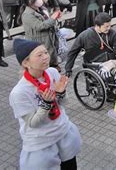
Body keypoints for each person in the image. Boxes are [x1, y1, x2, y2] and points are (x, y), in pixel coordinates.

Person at [9, 39, 81, 169]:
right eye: (39, 55)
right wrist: (46, 104)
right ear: (26, 62)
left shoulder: (52, 72)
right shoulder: (19, 92)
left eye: (45, 52)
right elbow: (33, 123)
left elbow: (64, 103)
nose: (46, 57)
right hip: (42, 144)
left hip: (63, 135)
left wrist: (61, 92)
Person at [20, 0, 61, 69]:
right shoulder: (27, 15)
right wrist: (53, 18)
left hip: (48, 39)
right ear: (30, 2)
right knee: (44, 62)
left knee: (50, 57)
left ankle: (54, 67)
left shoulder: (40, 9)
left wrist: (54, 16)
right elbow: (40, 26)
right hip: (39, 42)